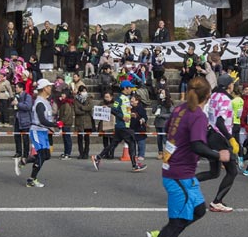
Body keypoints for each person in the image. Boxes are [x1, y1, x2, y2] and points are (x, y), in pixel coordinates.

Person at [145, 77, 229, 237]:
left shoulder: (180, 109)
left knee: (198, 210)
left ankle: (165, 233)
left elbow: (170, 129)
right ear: (208, 96)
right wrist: (219, 155)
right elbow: (197, 145)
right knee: (177, 223)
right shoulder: (198, 115)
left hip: (180, 171)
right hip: (179, 174)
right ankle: (164, 234)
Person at [196, 74, 238, 212]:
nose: (233, 85)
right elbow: (220, 122)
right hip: (220, 138)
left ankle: (187, 182)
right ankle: (217, 202)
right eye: (232, 83)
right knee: (232, 171)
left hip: (209, 135)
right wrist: (230, 138)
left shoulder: (213, 96)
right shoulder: (226, 99)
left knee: (214, 172)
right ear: (228, 86)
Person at [14, 78, 59, 187]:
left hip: (43, 131)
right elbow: (42, 120)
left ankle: (23, 161)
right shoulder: (39, 102)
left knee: (46, 155)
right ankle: (31, 179)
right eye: (49, 86)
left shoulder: (45, 101)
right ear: (44, 89)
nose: (50, 88)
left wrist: (52, 125)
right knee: (41, 155)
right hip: (37, 131)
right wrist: (55, 125)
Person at [92, 80, 146, 172]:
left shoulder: (126, 98)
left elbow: (125, 111)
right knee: (132, 142)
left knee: (113, 144)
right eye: (130, 87)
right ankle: (134, 165)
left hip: (123, 126)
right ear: (125, 88)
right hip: (122, 126)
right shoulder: (120, 98)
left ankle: (98, 157)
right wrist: (123, 117)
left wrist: (131, 114)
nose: (131, 89)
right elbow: (114, 109)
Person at [12, 82, 32, 160]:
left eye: (17, 87)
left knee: (25, 137)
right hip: (17, 119)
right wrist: (13, 103)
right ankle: (18, 152)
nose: (16, 89)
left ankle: (25, 154)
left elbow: (28, 106)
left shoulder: (27, 96)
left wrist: (18, 104)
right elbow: (13, 104)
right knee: (17, 136)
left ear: (21, 88)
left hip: (25, 119)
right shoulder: (16, 96)